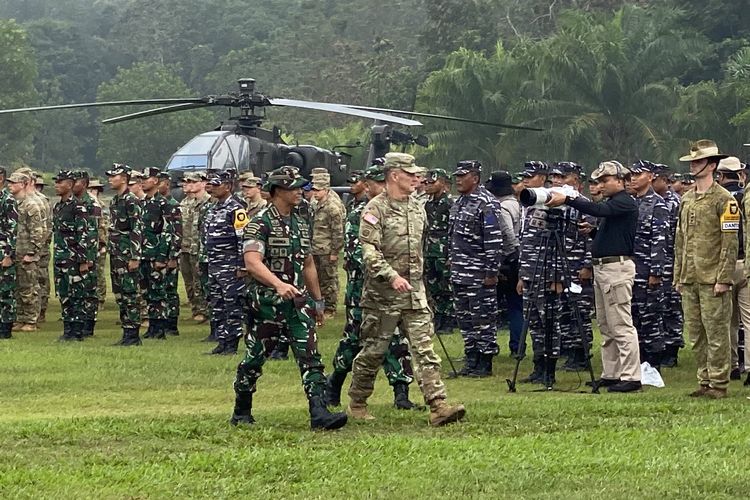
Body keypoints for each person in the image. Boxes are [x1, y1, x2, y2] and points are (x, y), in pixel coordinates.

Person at [347, 152, 465, 426]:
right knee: (374, 351)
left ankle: (438, 406)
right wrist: (391, 276)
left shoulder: (416, 206)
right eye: (410, 174)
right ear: (394, 175)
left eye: (417, 174)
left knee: (425, 349)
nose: (417, 178)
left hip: (414, 293)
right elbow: (369, 251)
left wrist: (417, 283)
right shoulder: (376, 209)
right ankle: (358, 401)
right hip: (383, 296)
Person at [232, 166, 347, 430]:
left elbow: (307, 263)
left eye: (300, 187)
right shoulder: (260, 222)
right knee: (255, 359)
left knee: (311, 357)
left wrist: (318, 302)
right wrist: (278, 284)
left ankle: (319, 412)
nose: (300, 192)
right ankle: (242, 409)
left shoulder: (300, 219)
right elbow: (252, 262)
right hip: (267, 305)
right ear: (277, 191)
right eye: (294, 187)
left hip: (298, 304)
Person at [326, 163, 417, 410]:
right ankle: (334, 383)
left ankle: (401, 393)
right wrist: (388, 270)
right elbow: (360, 254)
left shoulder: (400, 210)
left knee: (396, 340)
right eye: (377, 184)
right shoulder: (362, 214)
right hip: (362, 290)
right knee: (355, 340)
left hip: (395, 290)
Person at [546, 160, 641, 393]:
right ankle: (612, 373)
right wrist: (595, 231)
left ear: (620, 181)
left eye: (605, 180)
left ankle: (631, 376)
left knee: (621, 324)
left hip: (616, 269)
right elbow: (614, 232)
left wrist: (569, 199)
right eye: (599, 181)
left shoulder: (625, 202)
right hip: (604, 268)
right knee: (606, 325)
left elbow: (600, 210)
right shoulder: (614, 204)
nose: (601, 185)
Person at [673, 140, 738, 398]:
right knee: (696, 332)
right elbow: (680, 240)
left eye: (699, 162)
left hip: (713, 277)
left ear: (712, 165)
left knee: (717, 331)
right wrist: (679, 275)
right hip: (690, 276)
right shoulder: (687, 199)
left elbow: (730, 242)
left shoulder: (725, 199)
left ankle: (719, 383)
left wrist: (723, 277)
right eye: (692, 162)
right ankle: (704, 380)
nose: (694, 166)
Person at [449, 160, 509, 377]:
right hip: (460, 272)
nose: (457, 179)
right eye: (456, 175)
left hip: (479, 273)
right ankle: (471, 358)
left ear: (475, 178)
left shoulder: (487, 203)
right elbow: (454, 237)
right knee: (465, 319)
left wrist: (491, 272)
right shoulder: (460, 202)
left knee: (483, 318)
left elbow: (493, 241)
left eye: (462, 175)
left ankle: (485, 361)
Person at [548, 162, 595, 372]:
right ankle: (568, 352)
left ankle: (581, 354)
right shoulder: (553, 204)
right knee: (564, 312)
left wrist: (587, 265)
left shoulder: (583, 204)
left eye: (563, 177)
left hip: (577, 266)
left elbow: (591, 238)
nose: (557, 181)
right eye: (554, 177)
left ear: (576, 180)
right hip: (559, 265)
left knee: (580, 312)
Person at [626, 161, 669, 370]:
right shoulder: (632, 203)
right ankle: (639, 363)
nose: (633, 178)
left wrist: (656, 272)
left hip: (647, 270)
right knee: (634, 318)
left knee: (650, 318)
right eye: (631, 174)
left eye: (638, 174)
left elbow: (660, 240)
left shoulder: (657, 204)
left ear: (650, 176)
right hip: (630, 270)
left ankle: (654, 364)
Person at [204, 170, 248, 355]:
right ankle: (221, 340)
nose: (212, 188)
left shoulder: (237, 208)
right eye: (211, 185)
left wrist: (241, 265)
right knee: (218, 304)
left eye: (217, 184)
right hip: (215, 264)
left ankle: (232, 343)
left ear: (228, 186)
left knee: (233, 304)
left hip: (230, 266)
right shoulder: (213, 208)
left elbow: (243, 238)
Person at [715, 156, 749, 380]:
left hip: (725, 263)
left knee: (728, 319)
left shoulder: (721, 199)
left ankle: (732, 365)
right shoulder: (745, 196)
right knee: (748, 319)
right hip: (745, 262)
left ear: (720, 175)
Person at [53, 170, 96, 342]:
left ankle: (77, 331)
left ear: (69, 185)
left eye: (60, 182)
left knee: (76, 295)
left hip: (74, 259)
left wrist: (83, 260)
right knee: (63, 294)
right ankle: (67, 329)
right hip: (60, 257)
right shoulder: (58, 207)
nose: (57, 185)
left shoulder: (78, 207)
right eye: (56, 182)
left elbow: (84, 235)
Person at [485, 171, 523, 355]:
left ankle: (514, 346)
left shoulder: (502, 208)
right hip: (518, 258)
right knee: (516, 305)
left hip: (508, 260)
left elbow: (506, 233)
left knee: (502, 304)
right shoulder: (517, 204)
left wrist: (508, 255)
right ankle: (518, 346)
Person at [107, 164, 144, 346]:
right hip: (116, 254)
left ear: (124, 178)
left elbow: (137, 229)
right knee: (120, 294)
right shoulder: (115, 200)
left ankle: (133, 334)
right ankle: (126, 331)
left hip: (127, 254)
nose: (110, 179)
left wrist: (135, 256)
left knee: (130, 293)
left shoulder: (131, 200)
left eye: (114, 176)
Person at [651, 164, 684, 367]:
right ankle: (660, 346)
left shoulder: (674, 202)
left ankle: (672, 349)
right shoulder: (648, 202)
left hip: (672, 261)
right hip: (656, 261)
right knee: (657, 306)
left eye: (655, 180)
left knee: (672, 306)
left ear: (665, 181)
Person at [139, 167, 172, 340]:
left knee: (158, 292)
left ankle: (159, 327)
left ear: (156, 181)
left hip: (156, 254)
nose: (143, 181)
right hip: (143, 253)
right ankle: (152, 325)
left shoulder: (163, 203)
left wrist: (162, 257)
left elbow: (168, 231)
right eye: (142, 178)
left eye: (147, 178)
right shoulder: (143, 203)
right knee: (147, 292)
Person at [10, 171, 45, 332]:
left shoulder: (31, 204)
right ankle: (20, 318)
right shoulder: (14, 204)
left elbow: (38, 231)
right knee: (18, 287)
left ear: (23, 184)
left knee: (29, 287)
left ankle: (31, 320)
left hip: (27, 253)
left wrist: (32, 252)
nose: (10, 185)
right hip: (16, 251)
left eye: (14, 183)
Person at [423, 168, 455, 334]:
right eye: (426, 182)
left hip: (444, 251)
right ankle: (438, 318)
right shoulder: (428, 204)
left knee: (447, 287)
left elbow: (455, 230)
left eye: (432, 182)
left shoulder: (449, 204)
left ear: (444, 184)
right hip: (430, 251)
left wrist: (452, 254)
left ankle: (449, 320)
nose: (427, 185)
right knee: (433, 286)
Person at [310, 170, 345, 319]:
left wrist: (334, 252)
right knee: (315, 279)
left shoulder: (333, 207)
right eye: (314, 190)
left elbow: (338, 232)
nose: (315, 193)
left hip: (327, 249)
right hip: (315, 247)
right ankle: (318, 308)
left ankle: (330, 308)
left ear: (326, 189)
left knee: (328, 280)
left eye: (318, 190)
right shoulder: (315, 202)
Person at [71, 171, 101, 338]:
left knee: (89, 289)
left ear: (83, 184)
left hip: (88, 254)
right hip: (75, 253)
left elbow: (92, 233)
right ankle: (78, 321)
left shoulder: (91, 203)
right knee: (78, 290)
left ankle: (88, 325)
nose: (72, 185)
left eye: (75, 182)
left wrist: (88, 258)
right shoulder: (73, 203)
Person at [179, 172, 211, 323]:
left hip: (200, 248)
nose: (189, 184)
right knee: (189, 281)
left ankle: (204, 311)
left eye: (193, 181)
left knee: (200, 281)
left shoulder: (209, 202)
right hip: (185, 247)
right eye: (188, 182)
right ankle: (195, 308)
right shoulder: (185, 203)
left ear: (203, 183)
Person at [159, 172, 182, 336]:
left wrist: (174, 256)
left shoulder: (173, 205)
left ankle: (172, 324)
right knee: (159, 287)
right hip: (158, 252)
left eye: (159, 182)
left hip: (170, 253)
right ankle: (161, 320)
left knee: (170, 289)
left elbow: (177, 232)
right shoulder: (157, 204)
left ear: (166, 184)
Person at [0, 168, 18, 339]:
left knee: (5, 291)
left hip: (3, 250)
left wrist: (8, 255)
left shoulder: (8, 200)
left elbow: (12, 229)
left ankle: (5, 329)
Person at [33, 174, 52, 323]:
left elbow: (46, 227)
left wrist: (40, 245)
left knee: (41, 278)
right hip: (38, 245)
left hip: (40, 246)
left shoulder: (42, 201)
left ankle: (40, 311)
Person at [88, 179, 109, 309]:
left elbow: (104, 227)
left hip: (100, 243)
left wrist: (103, 244)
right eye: (91, 189)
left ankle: (100, 298)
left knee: (99, 272)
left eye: (95, 189)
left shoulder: (101, 206)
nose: (92, 191)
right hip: (90, 244)